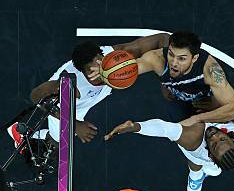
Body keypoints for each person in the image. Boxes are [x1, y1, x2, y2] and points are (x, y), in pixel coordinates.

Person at [21, 34, 170, 145]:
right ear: (83, 71)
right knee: (57, 144)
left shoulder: (114, 59)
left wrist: (168, 77)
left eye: (102, 60)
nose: (101, 67)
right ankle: (23, 135)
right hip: (67, 105)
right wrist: (74, 123)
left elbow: (162, 39)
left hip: (93, 96)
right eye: (92, 68)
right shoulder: (67, 82)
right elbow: (35, 96)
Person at [88, 31, 234, 126]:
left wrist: (197, 119)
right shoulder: (156, 58)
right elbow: (133, 67)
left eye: (181, 59)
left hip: (206, 101)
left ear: (194, 58)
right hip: (176, 97)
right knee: (184, 140)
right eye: (171, 54)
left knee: (208, 133)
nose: (174, 62)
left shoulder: (210, 70)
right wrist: (107, 72)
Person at [104, 116, 234, 191]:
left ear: (211, 154)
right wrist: (224, 112)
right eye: (222, 138)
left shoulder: (193, 140)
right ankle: (209, 172)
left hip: (197, 152)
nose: (213, 136)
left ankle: (195, 176)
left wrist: (135, 127)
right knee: (214, 170)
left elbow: (164, 129)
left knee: (194, 163)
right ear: (233, 139)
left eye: (213, 144)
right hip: (214, 155)